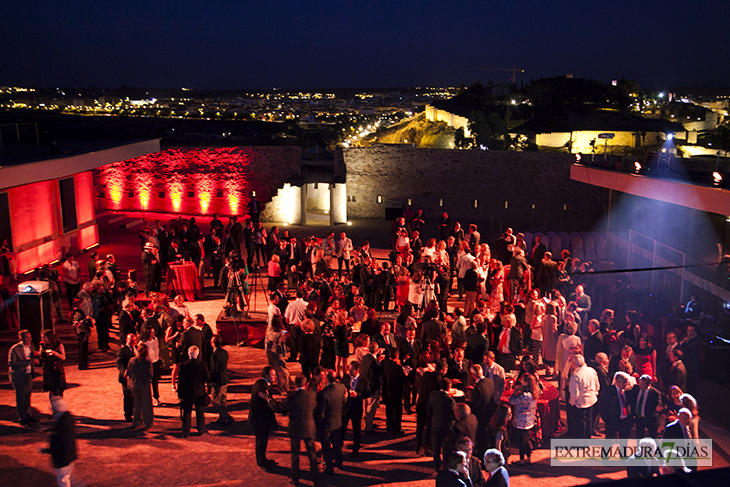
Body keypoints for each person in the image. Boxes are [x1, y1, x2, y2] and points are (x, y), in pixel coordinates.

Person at [269, 374, 319, 486]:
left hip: (295, 427)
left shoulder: (291, 398)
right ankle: (316, 478)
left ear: (295, 384)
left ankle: (295, 478)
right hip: (309, 426)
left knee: (295, 454)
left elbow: (278, 408)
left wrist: (268, 400)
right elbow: (315, 408)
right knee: (312, 453)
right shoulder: (312, 395)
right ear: (306, 385)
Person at [317, 369, 347, 475]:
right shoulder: (341, 387)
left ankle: (329, 468)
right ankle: (339, 463)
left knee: (326, 447)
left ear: (326, 379)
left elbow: (321, 414)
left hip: (327, 425)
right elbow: (344, 402)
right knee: (337, 444)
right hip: (337, 422)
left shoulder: (323, 394)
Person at [249, 366, 279, 471]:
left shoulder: (264, 384)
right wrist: (264, 396)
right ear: (266, 375)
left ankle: (263, 458)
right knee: (261, 440)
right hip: (260, 420)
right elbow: (259, 391)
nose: (275, 376)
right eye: (273, 374)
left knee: (263, 440)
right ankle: (261, 461)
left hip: (262, 419)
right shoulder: (261, 386)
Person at [8, 330, 40, 426]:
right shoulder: (15, 349)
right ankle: (22, 418)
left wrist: (36, 356)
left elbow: (33, 357)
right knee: (21, 397)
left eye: (30, 337)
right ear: (20, 338)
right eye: (27, 337)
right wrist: (28, 362)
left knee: (27, 396)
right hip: (18, 376)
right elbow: (11, 363)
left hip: (28, 374)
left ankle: (28, 415)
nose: (29, 339)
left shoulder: (31, 346)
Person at [178, 345, 210, 438]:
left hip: (187, 392)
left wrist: (180, 393)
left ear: (189, 354)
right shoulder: (202, 365)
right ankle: (201, 429)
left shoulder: (183, 365)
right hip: (199, 391)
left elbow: (180, 381)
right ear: (198, 354)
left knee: (187, 411)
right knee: (200, 411)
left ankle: (186, 431)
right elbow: (207, 378)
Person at [46, 395, 77, 487]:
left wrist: (50, 450)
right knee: (64, 477)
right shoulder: (66, 418)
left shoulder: (63, 423)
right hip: (67, 456)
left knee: (63, 479)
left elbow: (61, 441)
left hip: (64, 457)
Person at [509, 373, 538, 464]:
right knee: (526, 439)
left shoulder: (524, 395)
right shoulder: (534, 393)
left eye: (522, 380)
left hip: (521, 421)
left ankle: (522, 459)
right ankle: (528, 458)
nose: (521, 381)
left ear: (526, 382)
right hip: (529, 420)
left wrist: (516, 391)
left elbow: (512, 401)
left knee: (522, 441)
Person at [568, 354, 599, 439]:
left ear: (574, 363)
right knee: (589, 420)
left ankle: (582, 441)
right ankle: (588, 439)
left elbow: (575, 393)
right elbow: (597, 385)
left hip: (581, 402)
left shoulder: (575, 375)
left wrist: (572, 402)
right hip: (591, 399)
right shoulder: (591, 370)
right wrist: (594, 393)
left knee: (581, 423)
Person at [428, 378, 456, 470]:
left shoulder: (433, 395)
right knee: (446, 448)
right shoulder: (450, 400)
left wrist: (434, 418)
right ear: (449, 387)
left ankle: (436, 465)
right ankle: (445, 466)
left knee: (436, 447)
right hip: (446, 427)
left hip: (436, 424)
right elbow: (453, 416)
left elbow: (429, 410)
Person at [125, 342, 154, 431]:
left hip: (133, 384)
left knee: (137, 403)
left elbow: (128, 373)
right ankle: (147, 422)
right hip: (143, 384)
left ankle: (137, 421)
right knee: (146, 404)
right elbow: (150, 375)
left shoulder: (132, 360)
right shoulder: (147, 363)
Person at [341, 361, 364, 457]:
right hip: (346, 407)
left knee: (356, 429)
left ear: (357, 370)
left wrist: (357, 395)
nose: (349, 371)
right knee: (342, 428)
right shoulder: (346, 378)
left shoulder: (363, 380)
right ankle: (339, 446)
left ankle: (356, 449)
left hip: (356, 407)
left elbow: (367, 392)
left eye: (351, 369)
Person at [209, 335, 233, 425]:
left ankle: (227, 417)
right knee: (223, 400)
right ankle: (222, 419)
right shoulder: (224, 352)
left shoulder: (214, 355)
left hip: (217, 380)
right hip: (224, 378)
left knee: (215, 401)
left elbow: (214, 369)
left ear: (213, 343)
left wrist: (209, 378)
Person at [382, 347, 406, 434]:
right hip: (396, 391)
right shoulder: (397, 368)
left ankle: (389, 426)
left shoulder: (384, 364)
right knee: (397, 410)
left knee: (388, 409)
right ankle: (396, 429)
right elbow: (403, 379)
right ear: (397, 356)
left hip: (386, 390)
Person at [602, 371, 633, 439]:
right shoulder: (609, 391)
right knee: (608, 441)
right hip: (612, 420)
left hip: (625, 421)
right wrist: (606, 418)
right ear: (618, 382)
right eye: (624, 382)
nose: (626, 384)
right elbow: (603, 405)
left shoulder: (628, 391)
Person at [629, 374, 661, 439]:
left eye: (642, 384)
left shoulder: (655, 393)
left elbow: (658, 405)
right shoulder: (636, 389)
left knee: (654, 437)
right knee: (639, 436)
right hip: (639, 418)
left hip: (650, 419)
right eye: (639, 383)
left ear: (649, 385)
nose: (640, 385)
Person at [265, 313, 290, 393]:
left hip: (270, 353)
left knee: (273, 370)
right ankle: (283, 388)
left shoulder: (269, 331)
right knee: (283, 372)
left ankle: (271, 386)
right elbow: (282, 347)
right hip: (277, 355)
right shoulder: (280, 335)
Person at [40, 330, 67, 401]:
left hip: (57, 369)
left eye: (44, 337)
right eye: (42, 338)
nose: (43, 339)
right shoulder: (42, 344)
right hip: (48, 369)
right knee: (51, 389)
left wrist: (55, 353)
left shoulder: (58, 344)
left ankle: (61, 408)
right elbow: (41, 356)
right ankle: (54, 407)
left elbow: (63, 357)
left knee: (59, 388)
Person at [116, 333, 137, 422]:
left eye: (133, 340)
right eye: (130, 339)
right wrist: (123, 370)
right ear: (126, 340)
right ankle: (128, 414)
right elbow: (118, 362)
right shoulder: (122, 350)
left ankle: (133, 412)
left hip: (135, 376)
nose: (132, 341)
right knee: (127, 395)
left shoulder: (135, 349)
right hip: (126, 377)